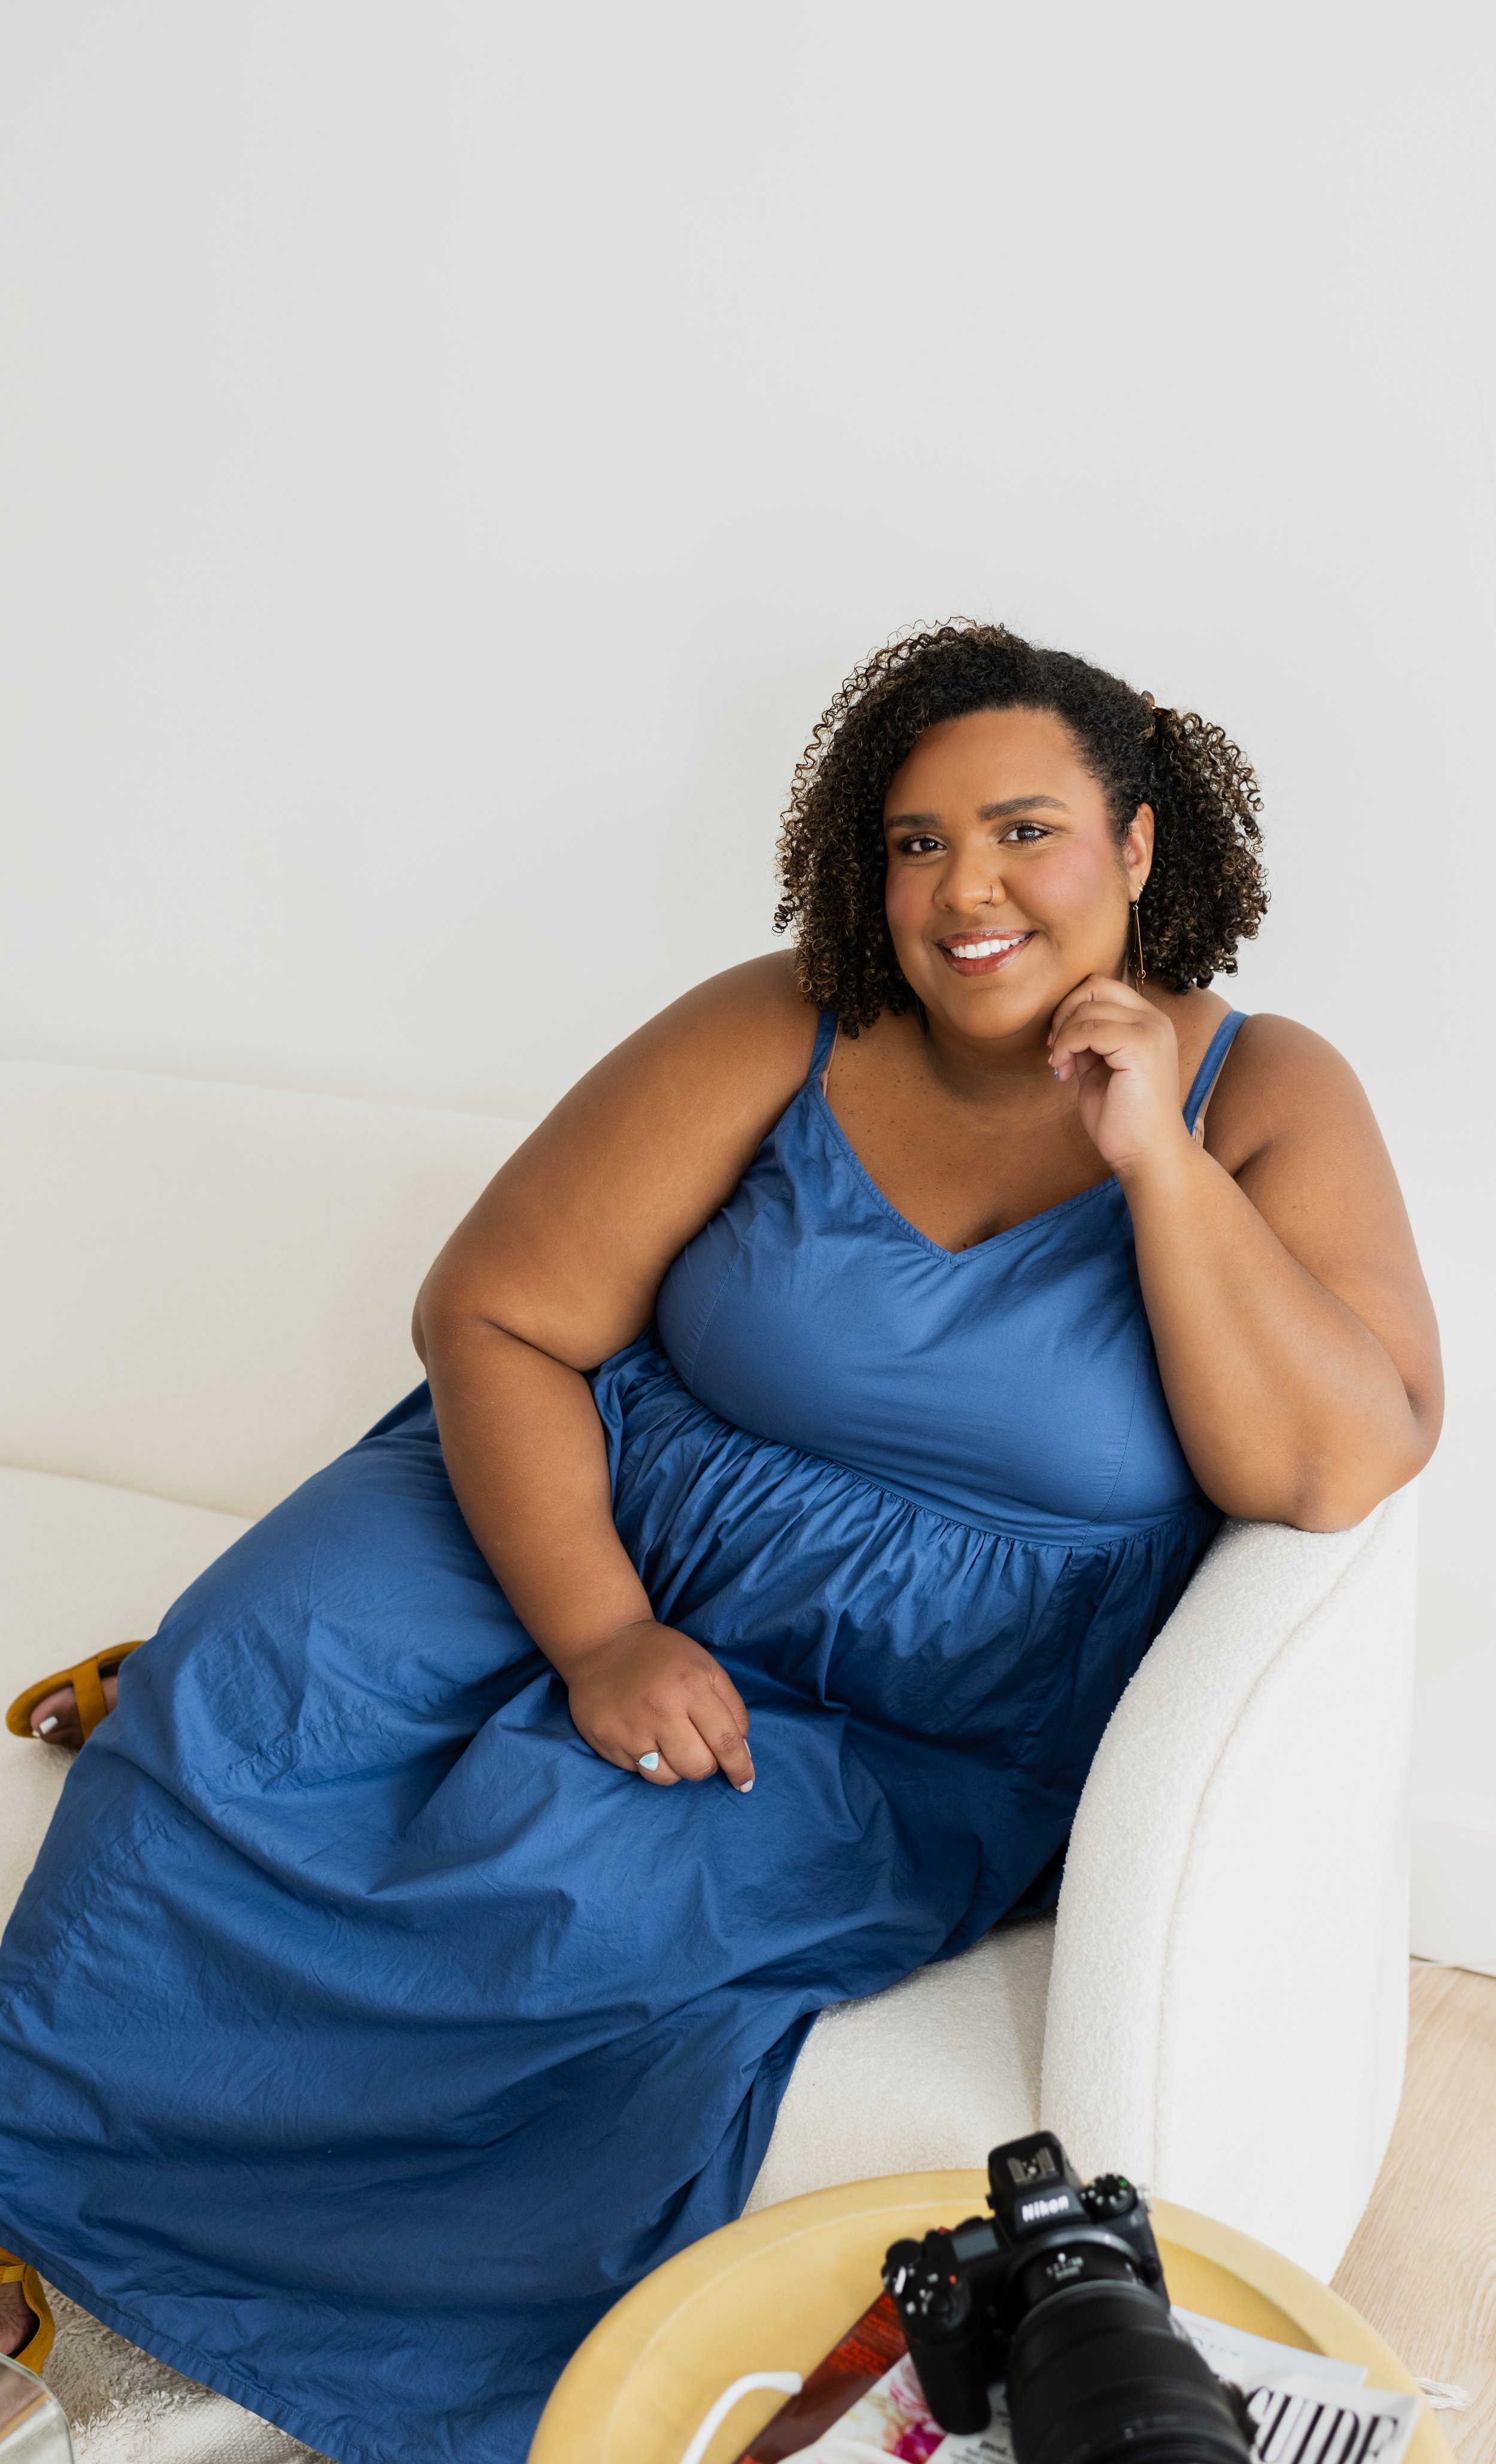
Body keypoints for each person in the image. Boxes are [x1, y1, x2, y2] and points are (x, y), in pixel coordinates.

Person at [0, 624, 1440, 2463]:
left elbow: (1330, 1468)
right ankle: (39, 2179)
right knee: (240, 1705)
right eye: (915, 843)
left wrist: (1153, 1156)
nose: (965, 890)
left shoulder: (1266, 1091)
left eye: (1024, 832)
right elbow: (501, 1317)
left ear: (1140, 847)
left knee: (573, 1898)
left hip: (916, 1687)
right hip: (584, 1501)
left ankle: (305, 2341)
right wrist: (598, 1633)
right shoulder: (783, 1018)